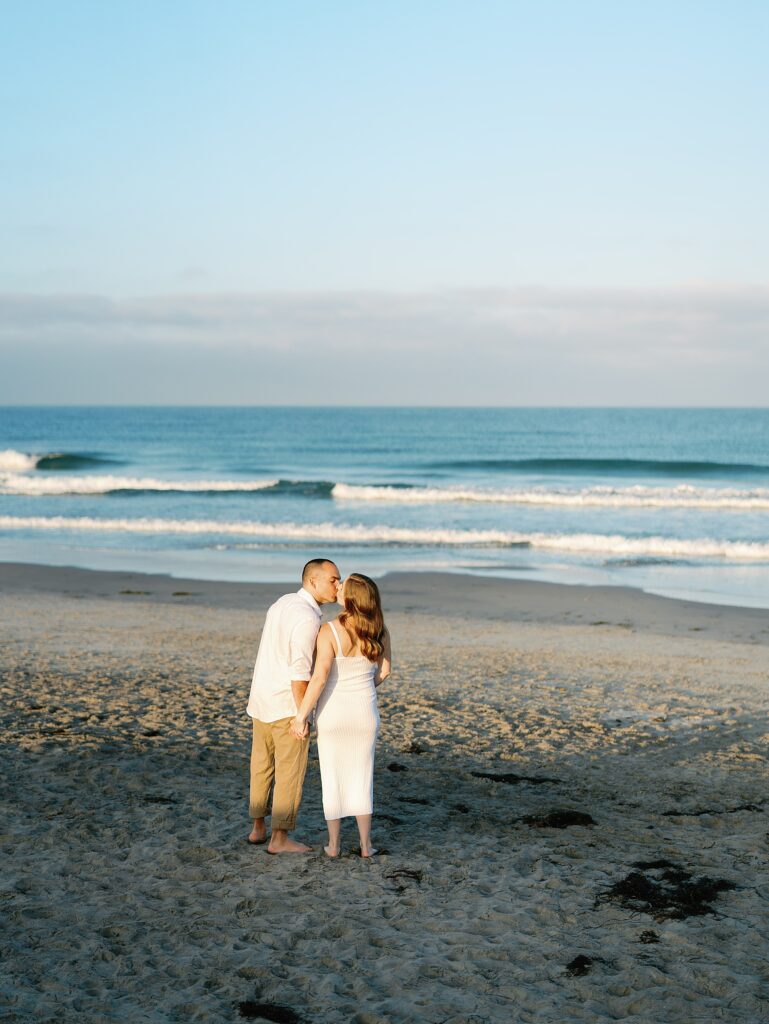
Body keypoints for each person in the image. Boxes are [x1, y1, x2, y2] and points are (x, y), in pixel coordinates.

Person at [291, 573, 391, 858]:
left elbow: (320, 677)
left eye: (342, 587)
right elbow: (384, 672)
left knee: (332, 777)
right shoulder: (380, 631)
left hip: (333, 712)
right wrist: (363, 689)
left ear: (350, 598)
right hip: (364, 712)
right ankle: (365, 845)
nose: (337, 589)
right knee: (362, 777)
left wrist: (301, 716)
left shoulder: (329, 630)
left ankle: (333, 845)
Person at [246, 558, 341, 854]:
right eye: (334, 580)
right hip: (285, 703)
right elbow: (299, 672)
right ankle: (279, 838)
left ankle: (257, 828)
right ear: (313, 582)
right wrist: (303, 715)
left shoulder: (282, 602)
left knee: (261, 767)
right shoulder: (308, 618)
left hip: (261, 697)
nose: (338, 586)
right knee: (289, 771)